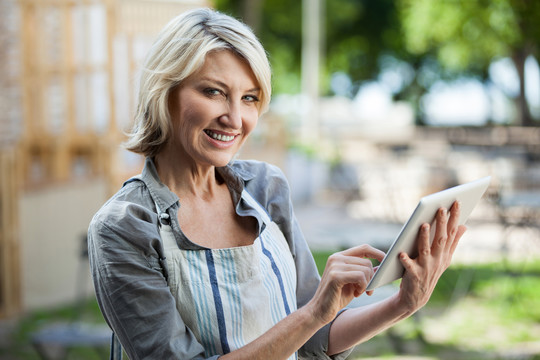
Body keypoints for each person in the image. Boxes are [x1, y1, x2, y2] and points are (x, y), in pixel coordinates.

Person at [87, 8, 466, 360]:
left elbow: (315, 335)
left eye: (249, 98)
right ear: (164, 93)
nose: (234, 119)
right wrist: (314, 312)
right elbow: (309, 319)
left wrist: (402, 303)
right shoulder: (125, 227)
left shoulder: (265, 188)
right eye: (213, 92)